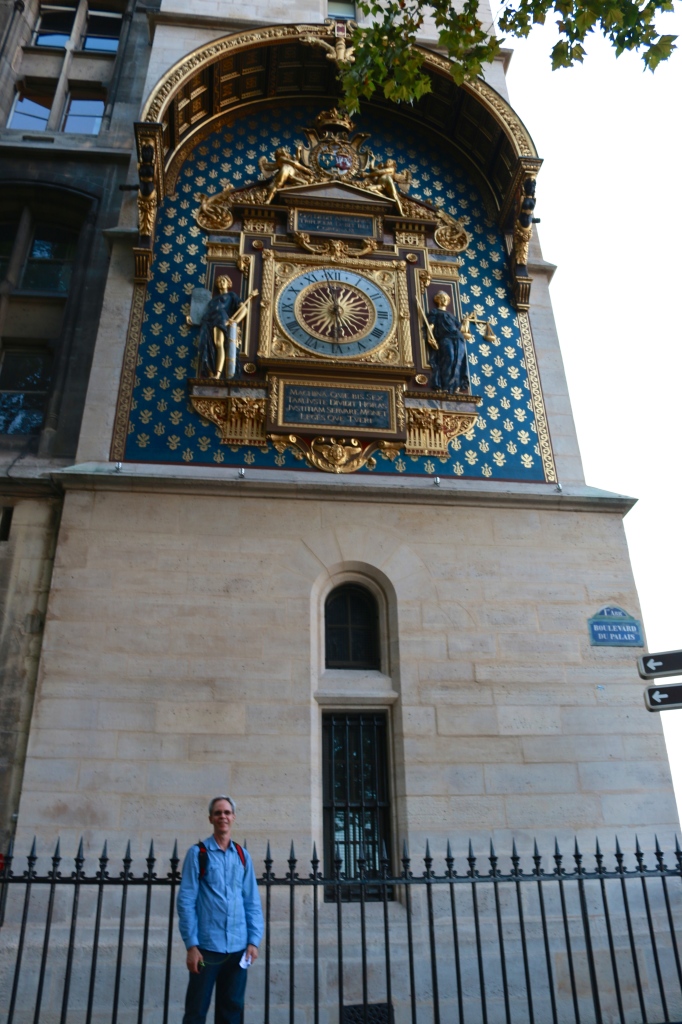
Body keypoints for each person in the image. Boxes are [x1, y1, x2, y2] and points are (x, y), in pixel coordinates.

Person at [177, 795, 264, 1024]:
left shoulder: (243, 856)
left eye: (226, 812)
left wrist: (254, 941)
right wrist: (191, 946)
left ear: (233, 817)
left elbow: (251, 901)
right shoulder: (198, 854)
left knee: (232, 1011)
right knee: (196, 1010)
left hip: (238, 950)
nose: (222, 817)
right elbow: (186, 901)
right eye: (218, 813)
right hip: (207, 949)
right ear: (210, 819)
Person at [193, 276, 257, 379]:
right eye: (219, 281)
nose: (221, 283)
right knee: (209, 346)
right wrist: (192, 319)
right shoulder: (213, 301)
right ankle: (212, 371)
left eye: (223, 280)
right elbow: (204, 314)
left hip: (222, 320)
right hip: (210, 322)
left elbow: (244, 309)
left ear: (229, 283)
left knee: (219, 344)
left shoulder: (231, 295)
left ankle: (218, 374)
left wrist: (235, 321)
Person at [426, 291, 469, 393]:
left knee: (458, 362)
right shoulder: (435, 312)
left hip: (458, 338)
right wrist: (430, 338)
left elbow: (463, 329)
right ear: (438, 299)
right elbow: (430, 326)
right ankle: (446, 386)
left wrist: (467, 320)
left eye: (446, 298)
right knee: (449, 359)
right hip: (446, 338)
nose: (445, 300)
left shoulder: (451, 315)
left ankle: (455, 387)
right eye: (442, 298)